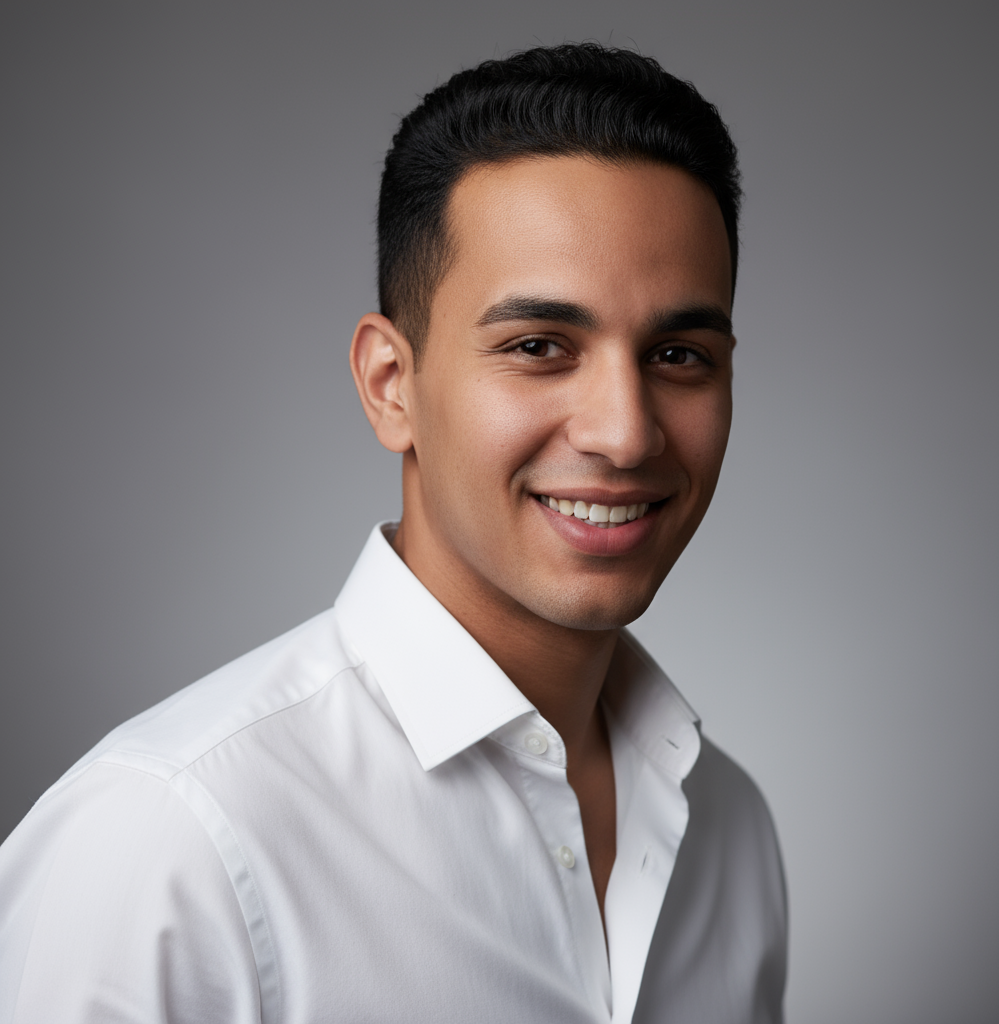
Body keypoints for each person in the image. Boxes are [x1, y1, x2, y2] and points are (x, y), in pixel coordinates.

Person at [0, 43, 787, 1023]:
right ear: (390, 385)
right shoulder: (169, 843)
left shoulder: (728, 827)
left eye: (678, 353)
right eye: (539, 347)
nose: (624, 432)